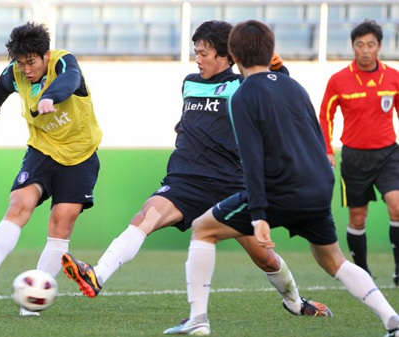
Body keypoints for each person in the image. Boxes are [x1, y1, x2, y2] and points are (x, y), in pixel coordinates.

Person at [61, 20, 331, 319]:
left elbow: (276, 84)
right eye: (196, 52)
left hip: (230, 183)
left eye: (204, 53)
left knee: (264, 258)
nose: (198, 59)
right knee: (144, 218)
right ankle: (96, 276)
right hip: (185, 179)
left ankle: (295, 303)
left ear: (227, 56)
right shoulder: (189, 82)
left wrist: (272, 60)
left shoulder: (243, 85)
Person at [165, 20, 399, 337]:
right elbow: (318, 139)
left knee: (203, 229)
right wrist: (322, 192)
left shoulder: (243, 94)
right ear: (270, 51)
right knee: (335, 261)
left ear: (233, 53)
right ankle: (391, 319)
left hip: (278, 190)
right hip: (316, 189)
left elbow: (252, 158)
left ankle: (198, 319)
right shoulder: (294, 86)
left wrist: (260, 216)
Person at [0, 22, 102, 316]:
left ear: (46, 56)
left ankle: (34, 300)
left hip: (80, 156)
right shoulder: (15, 73)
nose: (26, 69)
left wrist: (51, 96)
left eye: (31, 62)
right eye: (20, 62)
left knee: (60, 225)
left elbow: (71, 79)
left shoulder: (64, 62)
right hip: (42, 151)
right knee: (18, 204)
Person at [319, 19, 399, 283]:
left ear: (380, 46)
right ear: (353, 46)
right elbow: (325, 115)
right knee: (357, 217)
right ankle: (363, 272)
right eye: (360, 45)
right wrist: (328, 149)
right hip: (353, 157)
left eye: (371, 45)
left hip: (388, 154)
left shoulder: (393, 77)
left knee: (397, 207)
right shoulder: (339, 80)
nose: (365, 50)